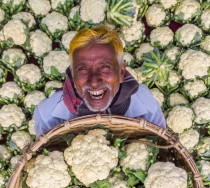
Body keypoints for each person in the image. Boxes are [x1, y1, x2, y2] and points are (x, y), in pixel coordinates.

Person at [32, 25, 167, 138]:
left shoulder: (145, 104)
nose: (94, 81)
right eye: (83, 69)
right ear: (72, 75)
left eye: (105, 67)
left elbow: (161, 140)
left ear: (121, 72)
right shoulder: (48, 114)